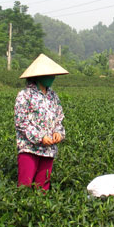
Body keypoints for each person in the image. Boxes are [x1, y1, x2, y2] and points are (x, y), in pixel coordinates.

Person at [14, 54, 68, 190]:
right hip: (29, 148)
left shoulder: (53, 96)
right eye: (48, 75)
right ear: (38, 76)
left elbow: (59, 119)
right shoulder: (24, 95)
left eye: (53, 75)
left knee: (42, 189)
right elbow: (21, 122)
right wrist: (40, 137)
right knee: (24, 187)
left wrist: (58, 133)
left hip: (49, 150)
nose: (52, 78)